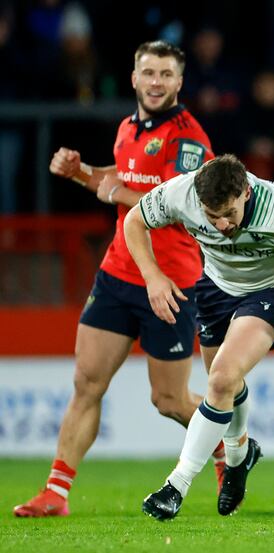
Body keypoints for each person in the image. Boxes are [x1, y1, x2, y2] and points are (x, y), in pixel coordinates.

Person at [13, 40, 217, 518]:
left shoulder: (189, 140)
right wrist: (81, 172)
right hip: (119, 273)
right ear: (133, 77)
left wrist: (114, 191)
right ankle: (56, 493)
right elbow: (122, 178)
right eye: (148, 72)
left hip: (170, 281)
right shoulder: (128, 128)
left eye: (166, 74)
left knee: (167, 400)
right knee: (86, 382)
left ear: (179, 82)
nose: (156, 82)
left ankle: (230, 439)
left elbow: (172, 204)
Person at [123, 154, 274, 520]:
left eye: (229, 213)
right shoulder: (183, 192)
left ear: (246, 192)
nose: (222, 224)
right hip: (215, 288)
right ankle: (240, 457)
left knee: (222, 376)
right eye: (213, 218)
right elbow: (135, 220)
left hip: (272, 291)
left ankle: (175, 486)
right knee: (224, 383)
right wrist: (152, 276)